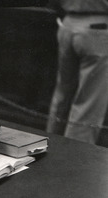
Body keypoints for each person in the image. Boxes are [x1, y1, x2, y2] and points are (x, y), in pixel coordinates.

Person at [46, 0, 108, 144]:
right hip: (98, 28)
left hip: (68, 24)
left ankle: (48, 147)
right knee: (88, 103)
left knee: (62, 95)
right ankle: (73, 160)